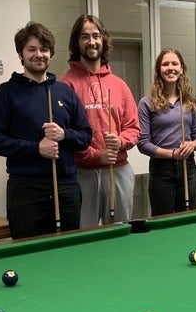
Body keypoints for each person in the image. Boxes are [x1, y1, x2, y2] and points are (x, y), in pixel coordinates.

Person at [0, 21, 92, 239]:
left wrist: (64, 134)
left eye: (44, 49)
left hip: (66, 188)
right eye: (31, 49)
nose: (38, 55)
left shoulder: (65, 92)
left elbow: (85, 136)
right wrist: (36, 148)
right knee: (28, 251)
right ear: (21, 54)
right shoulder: (5, 93)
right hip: (26, 190)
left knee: (69, 251)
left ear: (51, 54)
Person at [59, 14, 141, 227]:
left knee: (121, 234)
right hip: (82, 174)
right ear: (76, 42)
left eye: (96, 36)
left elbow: (133, 128)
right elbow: (65, 135)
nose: (91, 41)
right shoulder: (66, 85)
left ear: (103, 40)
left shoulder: (119, 85)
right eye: (85, 36)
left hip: (118, 170)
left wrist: (120, 141)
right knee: (84, 236)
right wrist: (96, 155)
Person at [137, 48, 196, 216]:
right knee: (163, 221)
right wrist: (173, 154)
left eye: (175, 63)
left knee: (188, 220)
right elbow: (143, 144)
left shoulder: (189, 102)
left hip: (188, 168)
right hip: (161, 170)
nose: (170, 68)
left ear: (181, 68)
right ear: (159, 70)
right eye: (165, 64)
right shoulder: (146, 103)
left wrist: (192, 145)